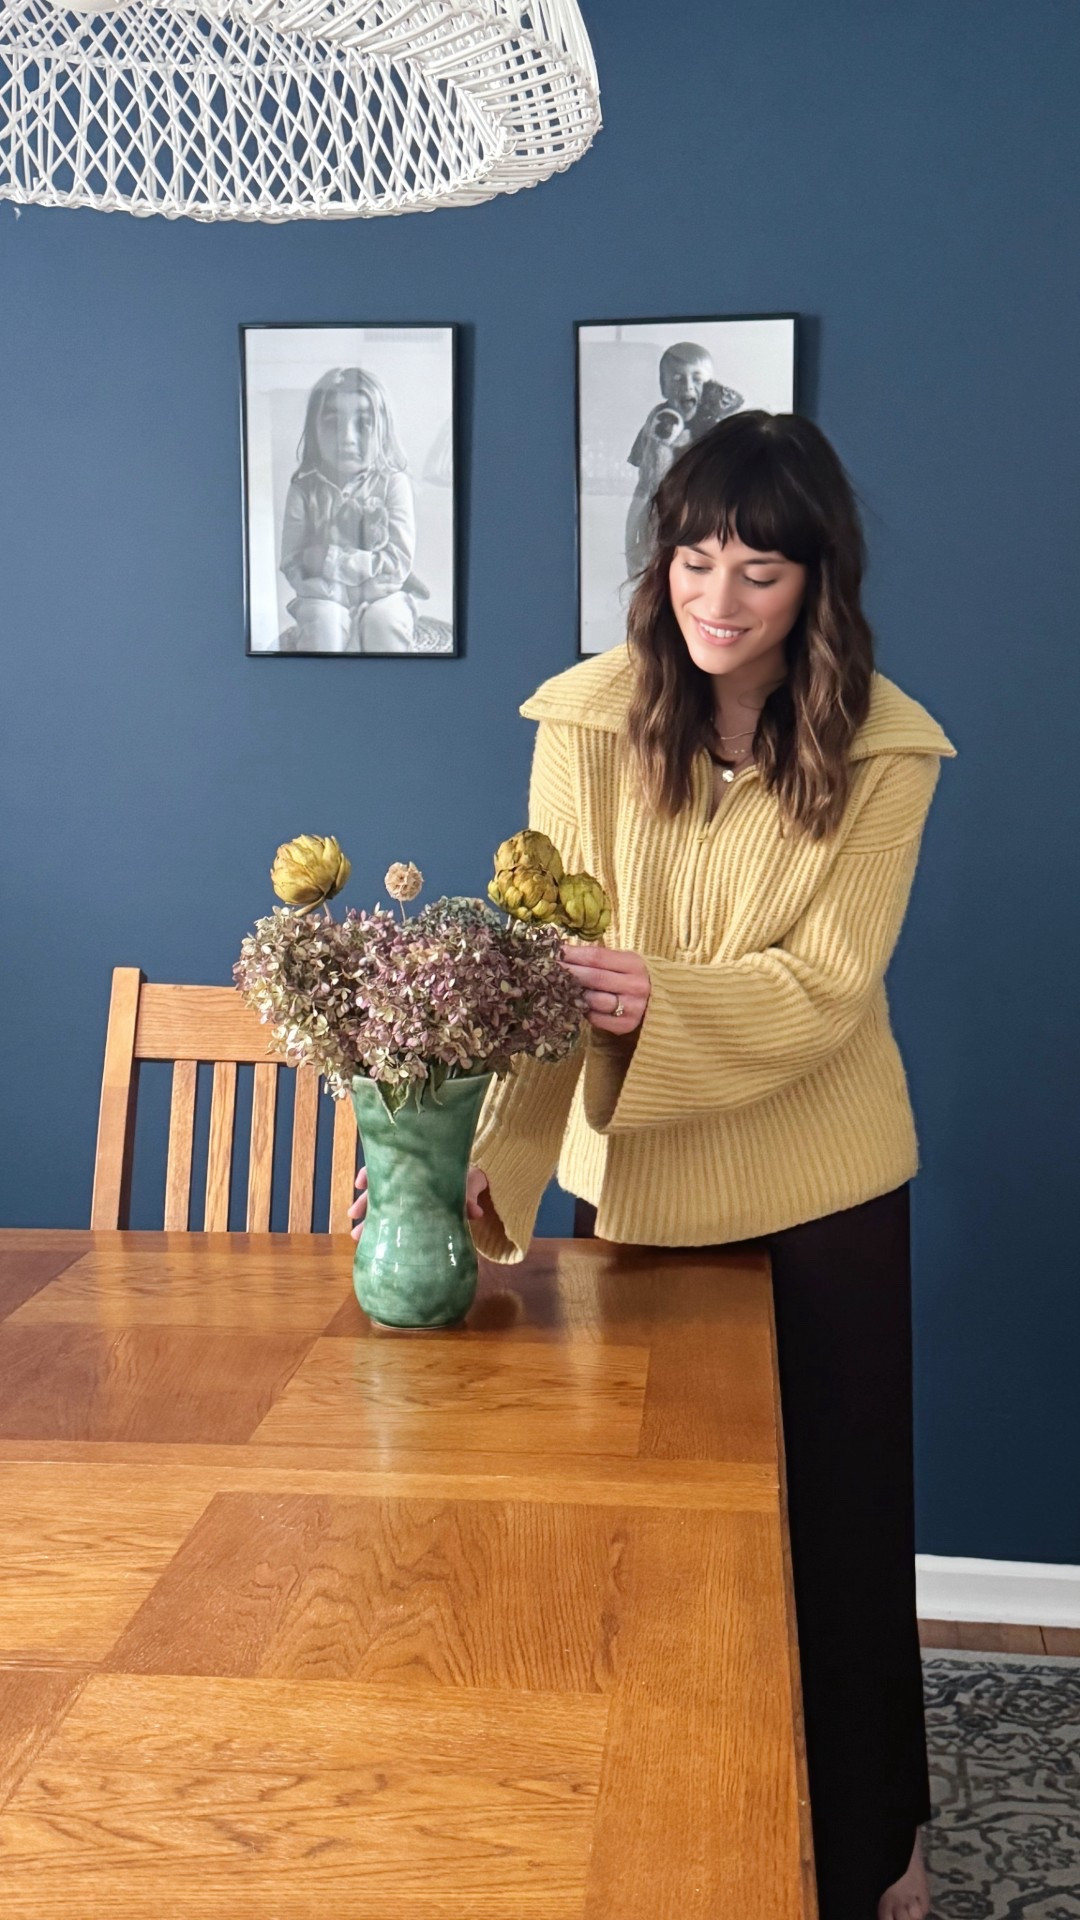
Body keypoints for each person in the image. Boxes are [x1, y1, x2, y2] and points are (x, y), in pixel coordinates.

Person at [350, 410, 957, 1920]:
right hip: (645, 1194)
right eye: (694, 558)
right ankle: (678, 1848)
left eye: (758, 569)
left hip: (825, 1197)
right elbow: (548, 976)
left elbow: (829, 983)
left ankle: (882, 1846)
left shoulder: (890, 748)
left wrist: (652, 996)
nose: (719, 598)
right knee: (654, 1558)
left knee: (840, 1536)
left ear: (817, 582)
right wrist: (473, 1164)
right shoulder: (583, 723)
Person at [279, 365, 424, 654]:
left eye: (363, 423)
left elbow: (396, 563)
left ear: (382, 430)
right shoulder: (303, 490)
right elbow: (294, 563)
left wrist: (328, 560)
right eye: (332, 423)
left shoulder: (393, 483)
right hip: (323, 596)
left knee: (384, 622)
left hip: (387, 594)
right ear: (314, 430)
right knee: (323, 622)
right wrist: (349, 593)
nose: (347, 437)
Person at [624, 340, 742, 579]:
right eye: (677, 379)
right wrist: (631, 541)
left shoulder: (719, 429)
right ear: (663, 386)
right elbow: (644, 488)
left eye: (697, 379)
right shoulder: (656, 424)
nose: (688, 387)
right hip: (661, 522)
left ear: (711, 385)